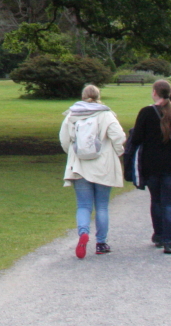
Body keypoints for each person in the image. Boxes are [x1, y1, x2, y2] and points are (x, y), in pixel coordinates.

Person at [59, 84, 126, 258]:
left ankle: (83, 233)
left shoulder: (72, 115)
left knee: (83, 205)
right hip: (103, 166)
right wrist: (117, 152)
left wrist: (74, 153)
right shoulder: (106, 114)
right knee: (102, 206)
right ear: (98, 96)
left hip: (80, 166)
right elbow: (119, 137)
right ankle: (101, 243)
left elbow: (64, 140)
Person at [130, 78, 171, 254]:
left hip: (151, 164)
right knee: (169, 202)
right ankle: (169, 240)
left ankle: (159, 234)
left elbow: (137, 138)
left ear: (155, 92)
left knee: (156, 200)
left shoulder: (146, 113)